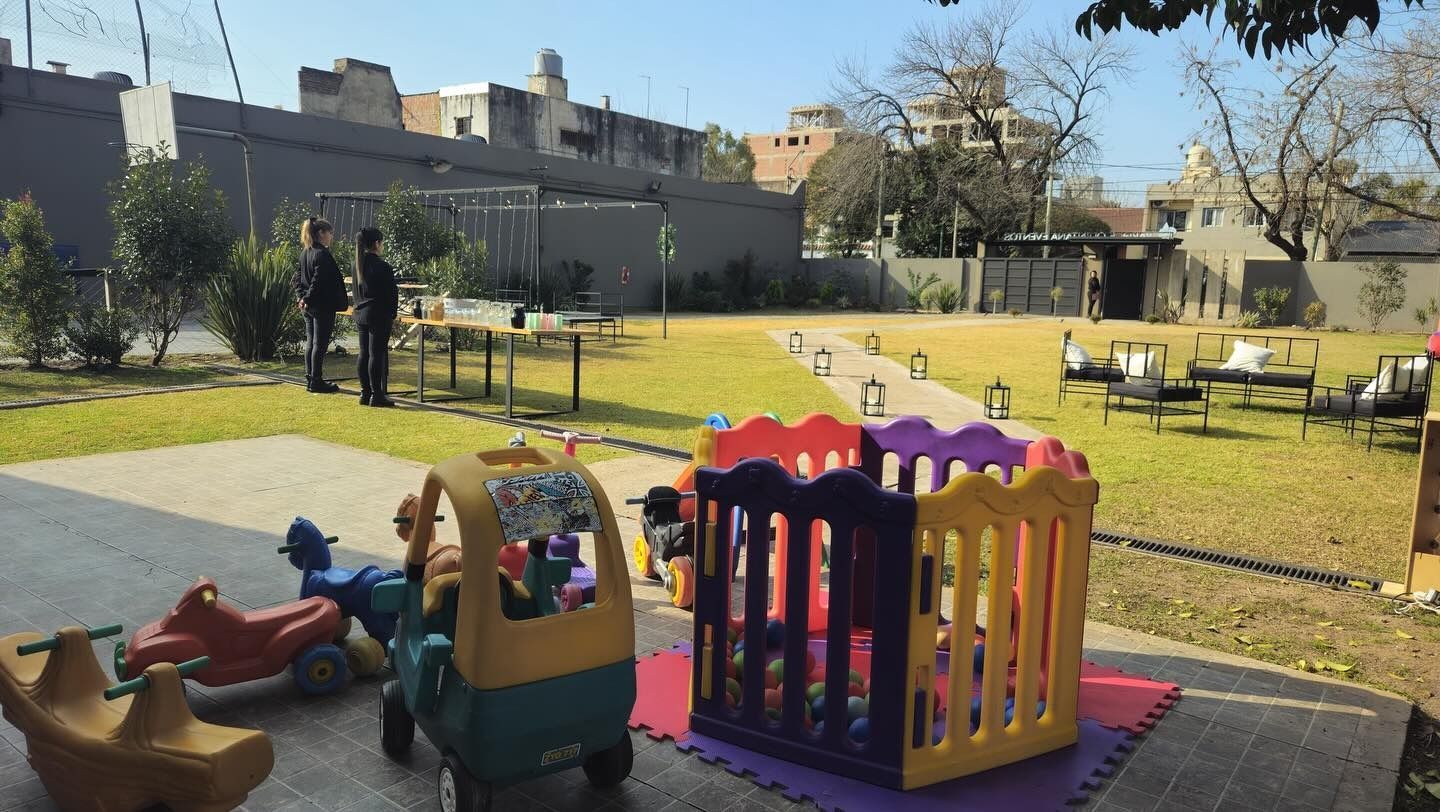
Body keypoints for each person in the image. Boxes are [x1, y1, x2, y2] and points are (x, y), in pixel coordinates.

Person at [293, 217, 347, 393]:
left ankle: (310, 377)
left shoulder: (305, 252)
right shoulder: (321, 254)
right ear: (321, 233)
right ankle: (316, 379)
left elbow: (297, 279)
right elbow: (318, 280)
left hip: (309, 306)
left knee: (311, 342)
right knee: (320, 344)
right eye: (330, 233)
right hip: (321, 305)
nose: (332, 237)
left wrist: (302, 297)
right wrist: (306, 298)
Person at [352, 226, 398, 408]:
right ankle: (377, 394)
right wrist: (392, 314)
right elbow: (391, 293)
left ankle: (365, 392)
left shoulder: (357, 263)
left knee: (364, 353)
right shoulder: (382, 266)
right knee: (376, 355)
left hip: (361, 312)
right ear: (377, 244)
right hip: (378, 314)